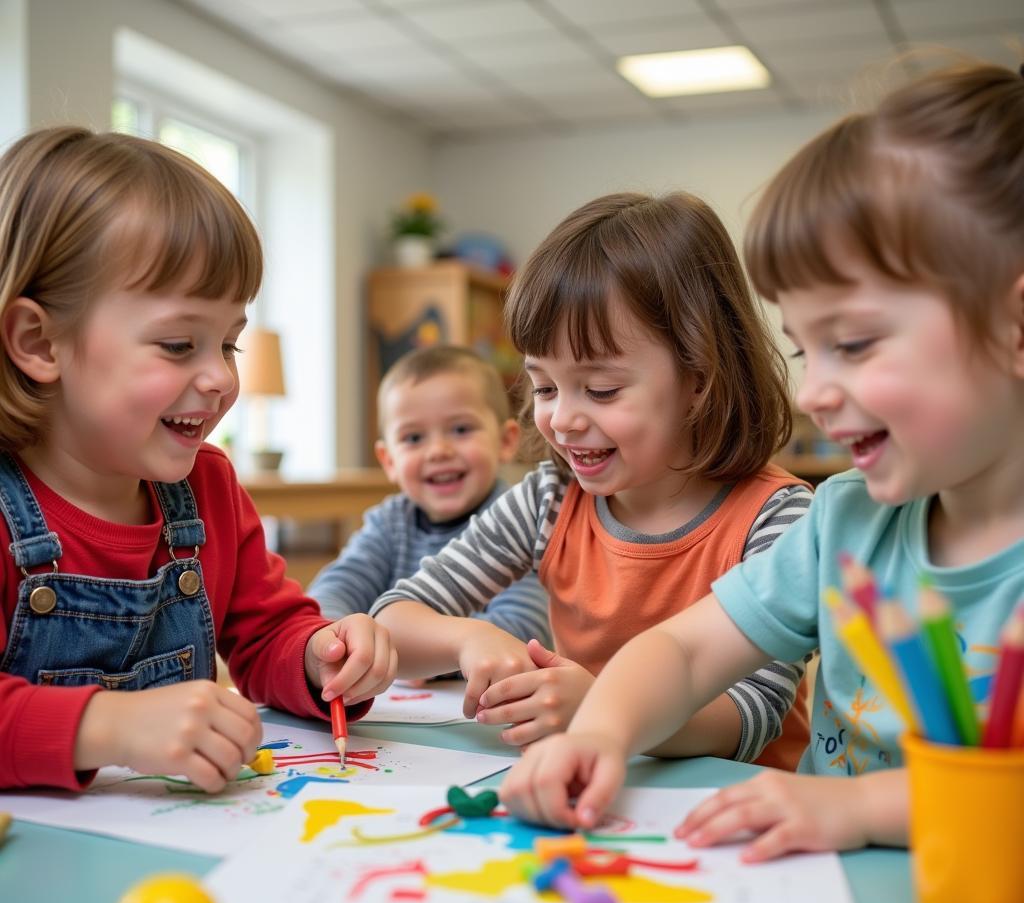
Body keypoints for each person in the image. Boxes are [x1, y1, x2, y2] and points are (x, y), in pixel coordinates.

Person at [500, 61, 1024, 860]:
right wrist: (602, 731)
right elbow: (681, 649)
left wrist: (858, 809)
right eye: (804, 351)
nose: (814, 392)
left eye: (851, 344)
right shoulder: (847, 521)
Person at [0, 127, 396, 793]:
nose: (219, 378)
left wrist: (318, 656)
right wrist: (111, 726)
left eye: (230, 344)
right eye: (181, 344)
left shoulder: (207, 486)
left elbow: (267, 630)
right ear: (40, 342)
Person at [373, 191, 813, 763]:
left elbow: (754, 712)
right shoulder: (549, 499)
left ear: (699, 379)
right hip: (591, 789)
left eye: (601, 390)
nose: (562, 418)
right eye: (544, 387)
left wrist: (604, 711)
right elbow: (396, 614)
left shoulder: (777, 517)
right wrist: (468, 638)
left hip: (735, 811)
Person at [307, 346, 550, 648]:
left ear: (505, 441)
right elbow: (333, 592)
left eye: (461, 429)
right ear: (389, 461)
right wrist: (334, 640)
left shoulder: (520, 520)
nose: (438, 451)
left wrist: (420, 653)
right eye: (413, 438)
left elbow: (524, 628)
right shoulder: (388, 524)